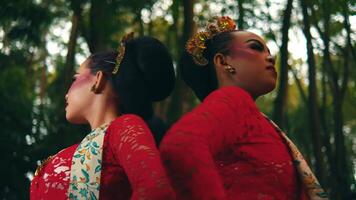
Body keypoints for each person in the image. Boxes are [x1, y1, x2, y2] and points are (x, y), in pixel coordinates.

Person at [160, 16, 328, 200]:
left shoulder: (251, 117)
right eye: (255, 47)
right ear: (223, 62)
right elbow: (181, 145)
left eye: (269, 51)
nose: (271, 58)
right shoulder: (233, 100)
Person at [30, 33, 176, 200]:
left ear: (98, 80)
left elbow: (156, 191)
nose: (66, 94)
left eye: (75, 78)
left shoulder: (124, 128)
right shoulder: (94, 143)